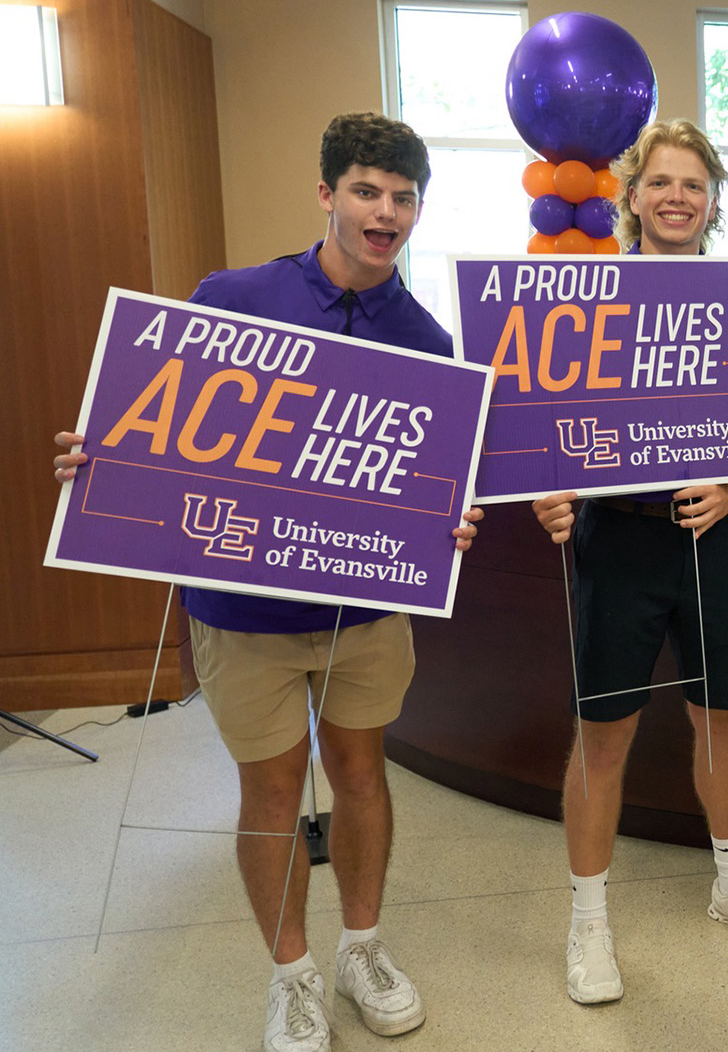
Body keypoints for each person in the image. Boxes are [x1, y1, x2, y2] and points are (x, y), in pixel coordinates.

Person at [54, 113, 484, 1052]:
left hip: (364, 613)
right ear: (326, 194)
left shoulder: (428, 341)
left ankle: (360, 948)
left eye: (404, 198)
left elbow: (434, 488)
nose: (386, 213)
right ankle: (290, 975)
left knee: (362, 777)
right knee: (271, 793)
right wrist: (103, 459)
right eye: (367, 191)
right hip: (242, 612)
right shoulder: (231, 296)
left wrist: (449, 521)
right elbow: (156, 422)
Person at [528, 118, 728, 1006]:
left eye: (695, 184)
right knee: (603, 738)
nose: (678, 197)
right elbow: (541, 418)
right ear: (630, 195)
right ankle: (590, 920)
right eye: (662, 182)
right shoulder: (591, 294)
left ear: (712, 200)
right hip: (620, 544)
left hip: (714, 540)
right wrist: (547, 488)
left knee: (723, 721)